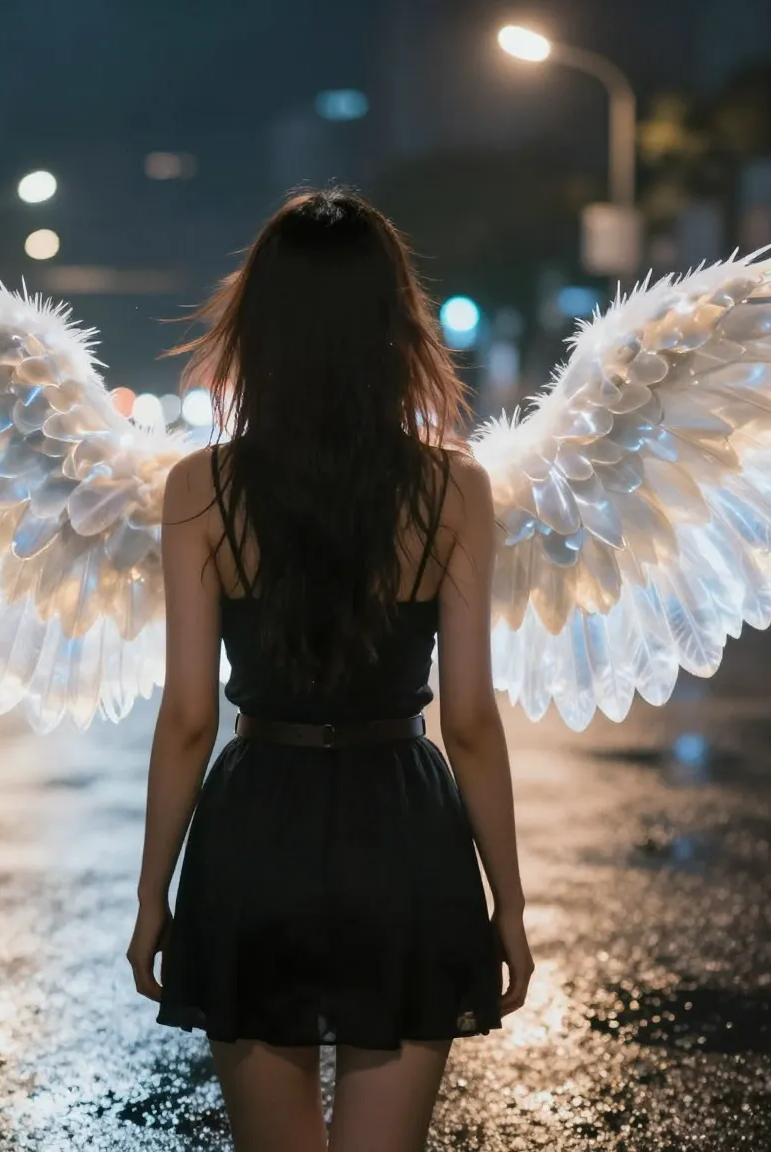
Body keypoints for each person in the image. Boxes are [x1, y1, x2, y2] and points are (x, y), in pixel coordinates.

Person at [127, 188, 533, 1151]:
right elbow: (470, 720)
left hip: (255, 826)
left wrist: (153, 894)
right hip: (403, 829)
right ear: (395, 328)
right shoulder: (454, 489)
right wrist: (507, 901)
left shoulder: (200, 489)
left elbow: (188, 716)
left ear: (256, 330)